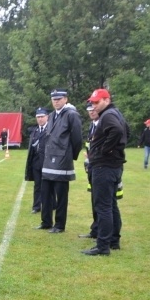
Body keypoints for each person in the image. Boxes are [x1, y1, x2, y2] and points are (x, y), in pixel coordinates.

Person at [82, 88, 127, 256]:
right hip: (113, 165)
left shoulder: (108, 115)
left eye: (97, 102)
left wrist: (103, 151)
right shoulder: (116, 113)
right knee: (111, 205)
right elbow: (126, 131)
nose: (94, 105)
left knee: (103, 207)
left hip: (104, 167)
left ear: (106, 100)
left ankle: (103, 246)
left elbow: (117, 131)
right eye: (92, 102)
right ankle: (114, 240)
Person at [37, 88, 83, 233]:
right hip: (48, 160)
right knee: (45, 193)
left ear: (65, 99)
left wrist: (70, 155)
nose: (56, 102)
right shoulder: (51, 115)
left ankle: (59, 225)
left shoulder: (71, 115)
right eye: (53, 99)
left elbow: (77, 139)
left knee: (61, 196)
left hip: (62, 160)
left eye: (59, 99)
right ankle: (46, 222)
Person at [79, 101, 100, 240]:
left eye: (93, 109)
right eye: (89, 110)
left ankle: (104, 234)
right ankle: (95, 230)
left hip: (101, 167)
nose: (91, 112)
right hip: (92, 166)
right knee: (95, 200)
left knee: (103, 203)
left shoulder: (103, 124)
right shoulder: (93, 125)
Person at [24, 107, 49, 214]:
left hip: (48, 163)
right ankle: (36, 206)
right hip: (36, 163)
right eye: (38, 117)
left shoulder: (51, 129)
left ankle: (50, 205)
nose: (40, 119)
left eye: (42, 117)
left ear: (47, 117)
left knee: (48, 186)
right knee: (37, 185)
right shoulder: (34, 131)